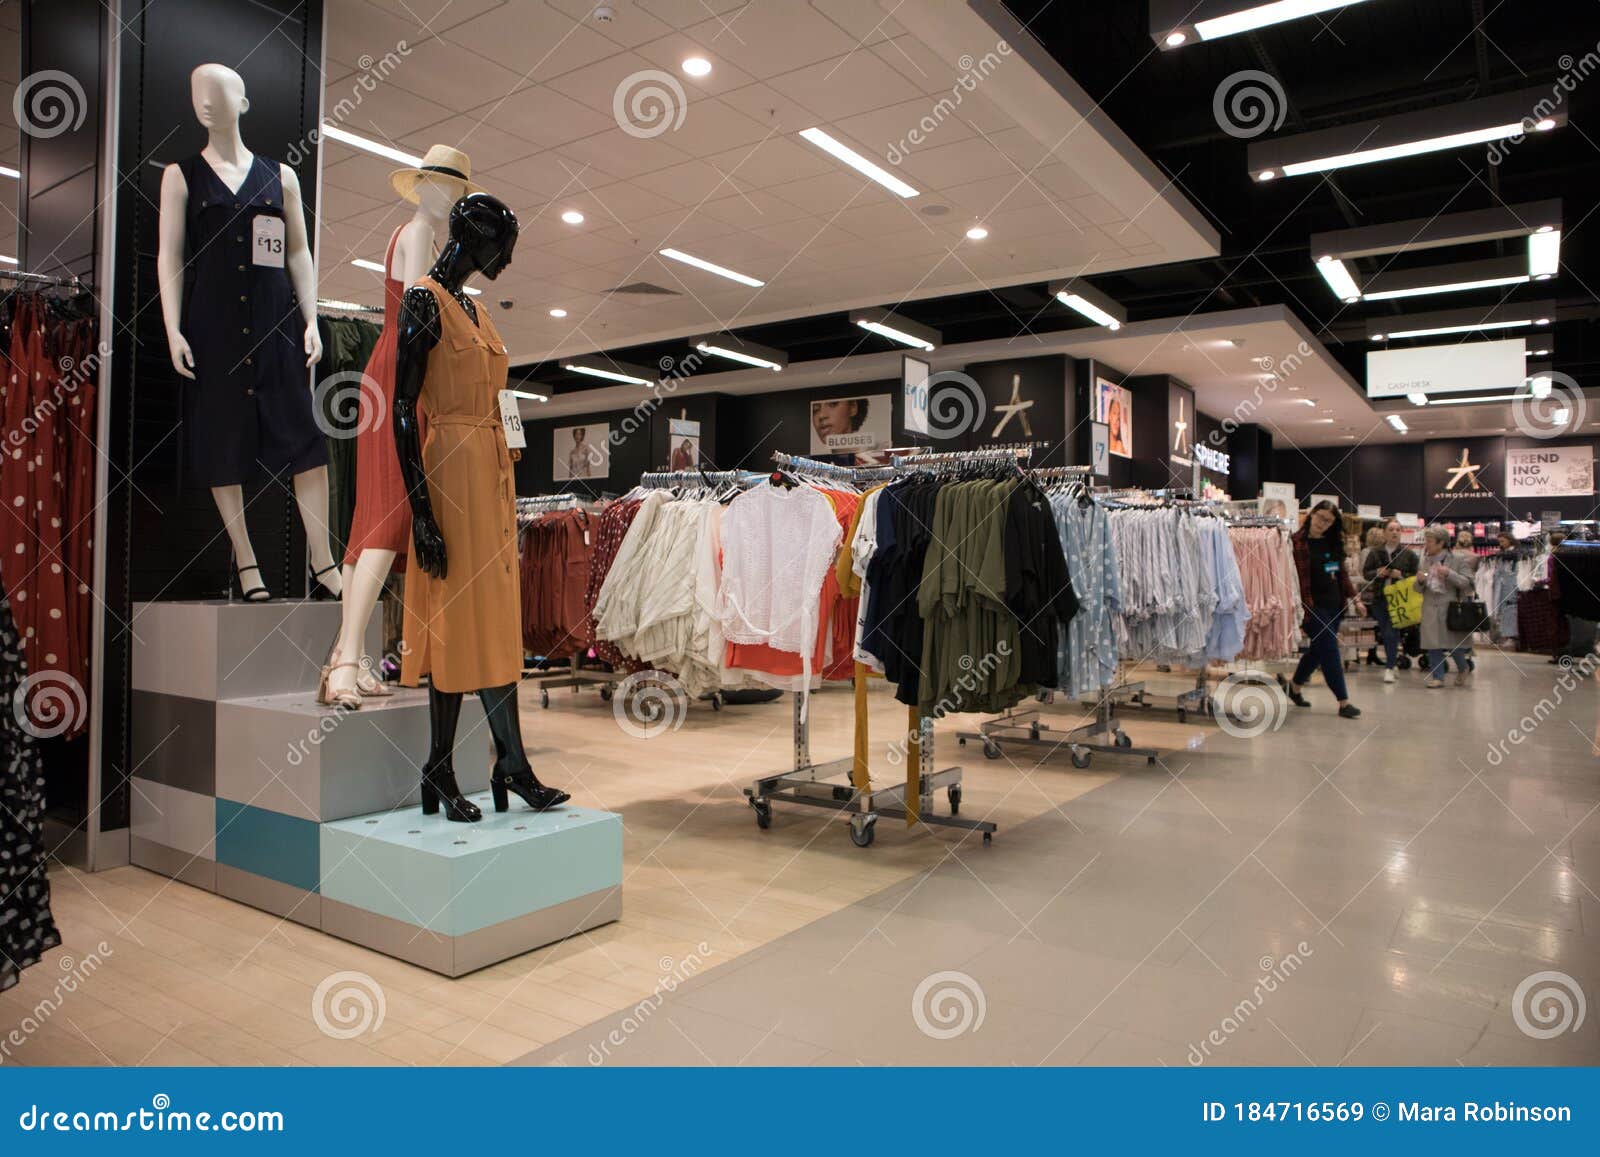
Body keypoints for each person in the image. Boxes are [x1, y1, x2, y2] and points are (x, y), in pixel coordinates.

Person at [1278, 501, 1365, 717]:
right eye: (1320, 517)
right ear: (1311, 514)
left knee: (1319, 648)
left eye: (1328, 521)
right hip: (1309, 606)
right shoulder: (1295, 542)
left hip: (1335, 605)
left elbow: (1341, 575)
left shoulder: (1332, 543)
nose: (1322, 523)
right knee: (1329, 648)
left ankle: (1294, 687)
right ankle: (1344, 702)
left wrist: (1356, 599)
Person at [1417, 526, 1476, 688]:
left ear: (1441, 543)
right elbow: (1417, 588)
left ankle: (1463, 668)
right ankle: (1438, 677)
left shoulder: (1458, 559)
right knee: (1432, 643)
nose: (1426, 544)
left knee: (1453, 644)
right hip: (1429, 606)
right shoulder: (1424, 560)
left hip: (1450, 608)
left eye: (1429, 541)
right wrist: (1420, 581)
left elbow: (1469, 583)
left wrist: (1449, 574)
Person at [1362, 519, 1419, 683]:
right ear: (1385, 533)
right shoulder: (1375, 552)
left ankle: (1389, 667)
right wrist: (1377, 573)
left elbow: (1416, 577)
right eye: (1391, 529)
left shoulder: (1409, 554)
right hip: (1379, 598)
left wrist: (1400, 575)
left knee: (1390, 632)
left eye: (1398, 530)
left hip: (1399, 599)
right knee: (1386, 632)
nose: (1395, 532)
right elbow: (1366, 573)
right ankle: (1392, 664)